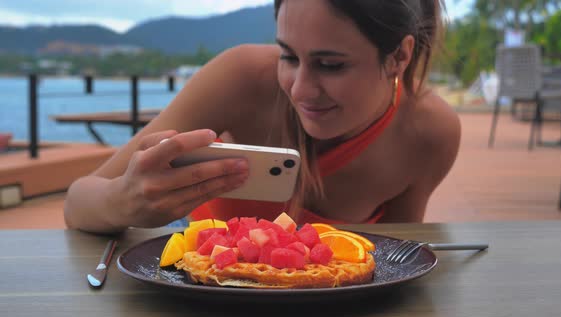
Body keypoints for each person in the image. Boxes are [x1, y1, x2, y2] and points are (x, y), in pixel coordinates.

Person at [64, 0, 460, 234]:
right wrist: (123, 201)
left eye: (330, 65)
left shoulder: (428, 134)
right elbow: (78, 202)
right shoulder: (241, 77)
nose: (299, 89)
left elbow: (397, 265)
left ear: (399, 57)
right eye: (288, 56)